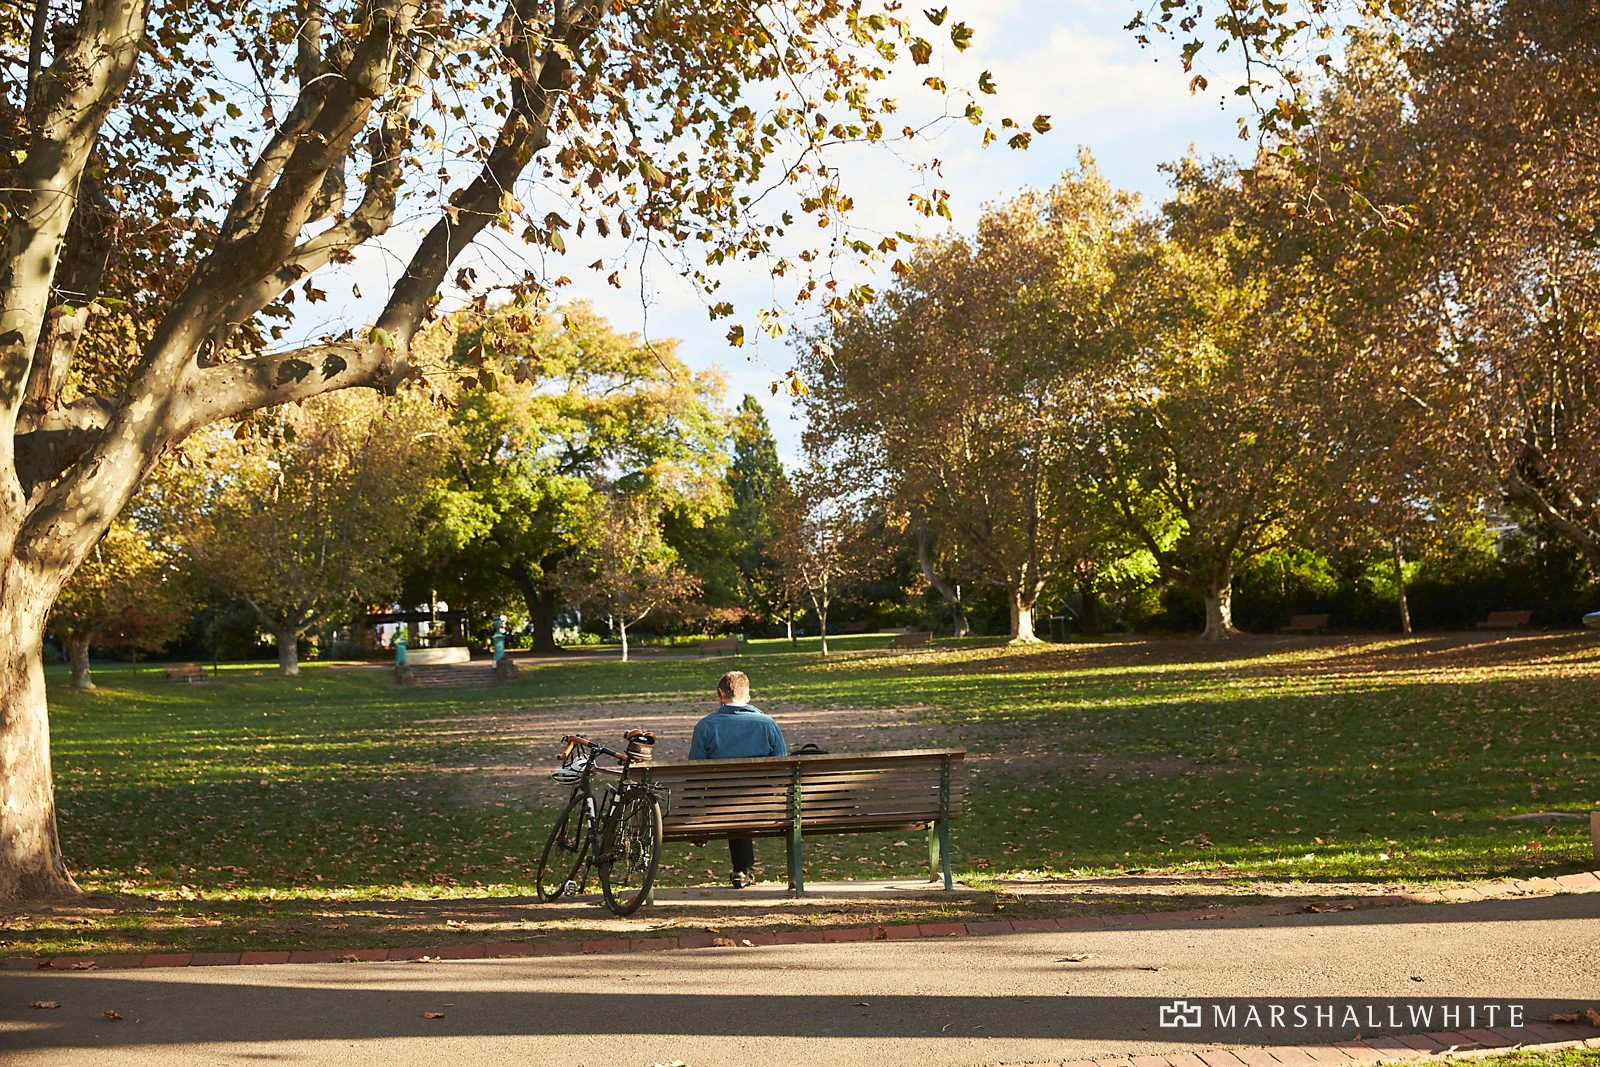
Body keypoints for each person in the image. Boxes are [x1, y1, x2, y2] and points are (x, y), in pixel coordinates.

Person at [689, 670, 787, 888]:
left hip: (719, 803)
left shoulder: (705, 726)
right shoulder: (767, 723)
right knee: (742, 796)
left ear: (720, 693)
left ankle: (740, 869)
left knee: (730, 797)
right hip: (763, 802)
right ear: (748, 695)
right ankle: (742, 870)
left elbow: (695, 771)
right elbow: (782, 765)